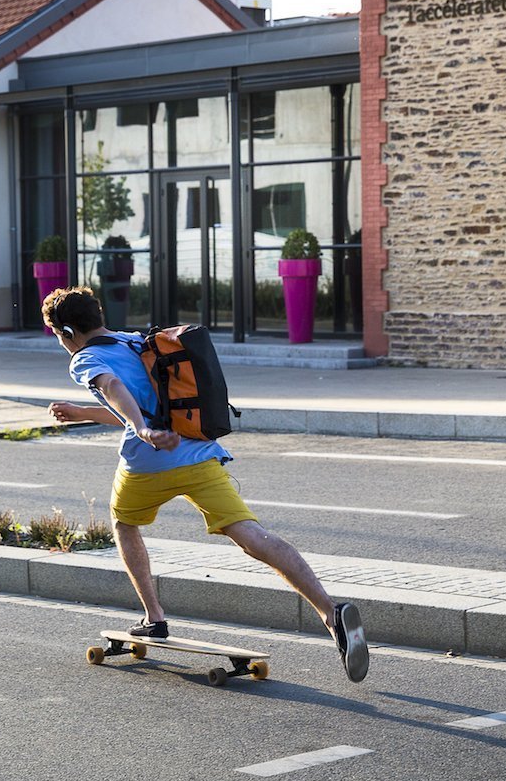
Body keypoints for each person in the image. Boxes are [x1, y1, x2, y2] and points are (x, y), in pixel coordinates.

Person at [42, 286, 368, 683]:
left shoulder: (85, 358)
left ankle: (154, 618)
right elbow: (141, 404)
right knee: (251, 534)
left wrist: (143, 431)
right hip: (198, 452)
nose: (61, 343)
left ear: (68, 331)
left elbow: (115, 390)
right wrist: (84, 413)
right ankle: (330, 612)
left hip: (146, 464)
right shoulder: (134, 341)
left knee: (125, 524)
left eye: (58, 336)